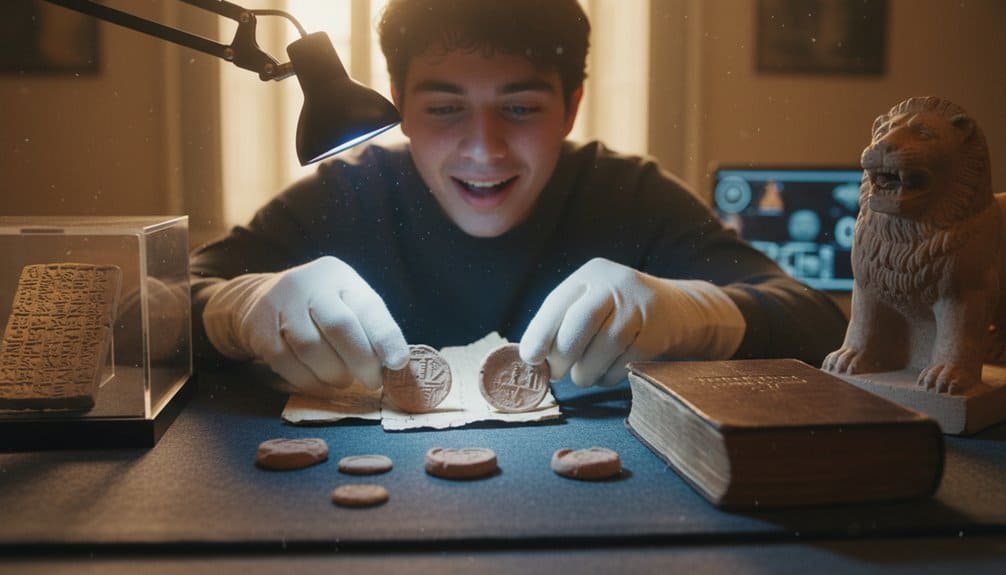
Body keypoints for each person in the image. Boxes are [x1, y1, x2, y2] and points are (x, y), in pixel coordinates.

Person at [190, 0, 847, 399]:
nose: (485, 147)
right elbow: (158, 303)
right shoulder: (346, 194)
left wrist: (701, 316)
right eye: (445, 107)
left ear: (571, 108)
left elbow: (820, 322)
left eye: (521, 107)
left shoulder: (626, 194)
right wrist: (235, 309)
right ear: (399, 107)